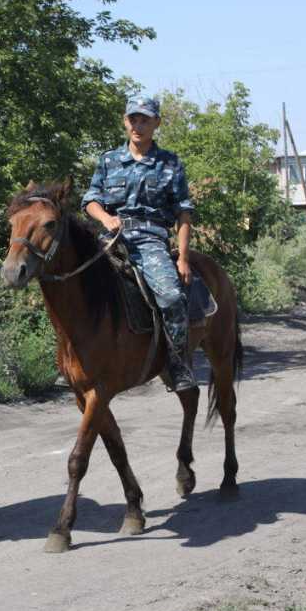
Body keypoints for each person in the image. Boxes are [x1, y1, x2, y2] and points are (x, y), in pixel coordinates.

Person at [82, 95, 197, 392]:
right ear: (125, 121)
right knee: (76, 289)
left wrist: (183, 258)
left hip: (150, 240)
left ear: (156, 123)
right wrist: (106, 218)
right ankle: (79, 358)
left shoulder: (170, 163)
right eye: (133, 118)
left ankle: (177, 363)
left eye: (145, 119)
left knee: (172, 297)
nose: (138, 124)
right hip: (111, 237)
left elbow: (183, 213)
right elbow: (91, 200)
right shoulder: (108, 160)